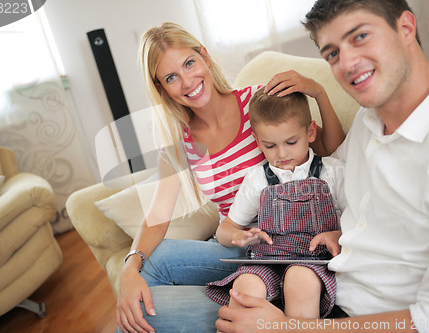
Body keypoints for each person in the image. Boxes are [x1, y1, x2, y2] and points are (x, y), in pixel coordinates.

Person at [215, 0, 429, 332]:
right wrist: (338, 232)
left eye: (360, 36)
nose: (346, 63)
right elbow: (331, 166)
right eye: (332, 53)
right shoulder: (369, 117)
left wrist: (288, 328)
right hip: (315, 280)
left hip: (350, 317)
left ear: (406, 27)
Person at [116, 22, 345, 333]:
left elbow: (326, 147)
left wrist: (318, 91)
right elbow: (157, 216)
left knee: (152, 287)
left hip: (291, 241)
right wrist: (129, 267)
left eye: (189, 63)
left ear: (205, 56)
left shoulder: (258, 104)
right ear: (162, 88)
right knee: (152, 266)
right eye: (171, 78)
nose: (187, 82)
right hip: (234, 243)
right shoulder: (178, 143)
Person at [205, 87, 346, 319]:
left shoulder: (334, 171)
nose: (281, 154)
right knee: (244, 288)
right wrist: (238, 237)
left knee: (300, 281)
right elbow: (225, 229)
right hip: (266, 261)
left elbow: (362, 221)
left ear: (311, 132)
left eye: (291, 142)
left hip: (312, 262)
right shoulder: (257, 179)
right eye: (270, 146)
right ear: (257, 141)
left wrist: (337, 234)